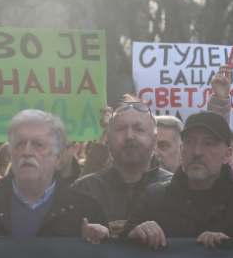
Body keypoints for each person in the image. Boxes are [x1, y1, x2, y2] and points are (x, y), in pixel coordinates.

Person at [118, 111, 233, 249]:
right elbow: (123, 251)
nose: (197, 152)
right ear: (181, 150)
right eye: (190, 142)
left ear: (227, 155)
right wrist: (135, 232)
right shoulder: (152, 197)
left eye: (208, 143)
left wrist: (230, 250)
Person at [0, 110, 108, 241]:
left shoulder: (88, 209)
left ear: (57, 157)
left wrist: (99, 240)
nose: (27, 152)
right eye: (20, 144)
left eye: (38, 145)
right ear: (11, 154)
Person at [72, 97, 172, 237]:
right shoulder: (85, 188)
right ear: (110, 138)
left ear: (154, 141)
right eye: (120, 129)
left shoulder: (175, 189)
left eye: (139, 129)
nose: (129, 136)